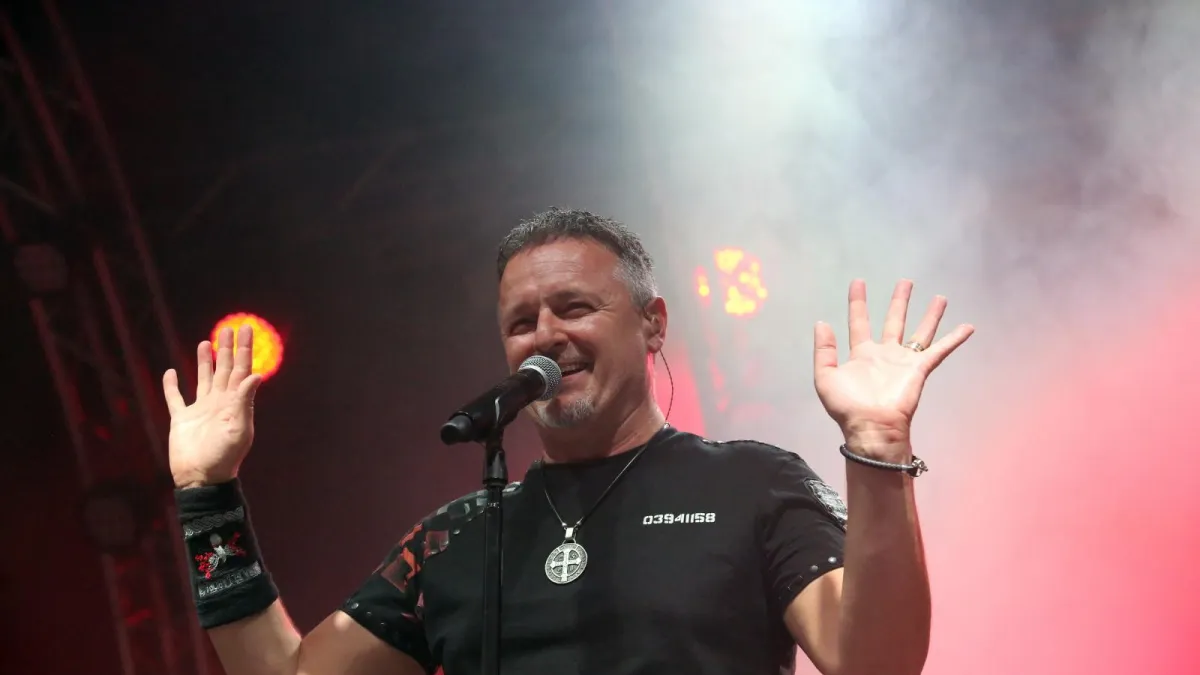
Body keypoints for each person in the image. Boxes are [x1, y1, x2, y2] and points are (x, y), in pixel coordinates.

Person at [163, 208, 973, 675]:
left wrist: (877, 446)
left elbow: (877, 663)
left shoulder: (751, 486)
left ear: (652, 324)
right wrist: (207, 497)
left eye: (575, 307)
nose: (545, 335)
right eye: (522, 321)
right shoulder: (458, 537)